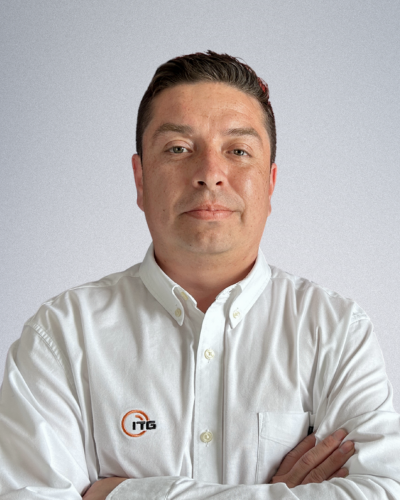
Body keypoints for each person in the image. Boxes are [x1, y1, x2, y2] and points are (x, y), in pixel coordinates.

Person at [0, 51, 399, 500]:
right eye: (178, 148)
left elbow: (384, 492)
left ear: (270, 183)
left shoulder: (337, 331)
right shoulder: (62, 335)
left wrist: (118, 494)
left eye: (238, 151)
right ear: (140, 179)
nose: (210, 174)